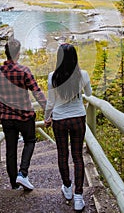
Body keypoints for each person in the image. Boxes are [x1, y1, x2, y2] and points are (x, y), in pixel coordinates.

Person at [0, 38, 47, 190]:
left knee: (10, 149)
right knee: (30, 141)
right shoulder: (24, 71)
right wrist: (48, 111)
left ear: (6, 53)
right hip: (25, 116)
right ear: (18, 53)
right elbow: (37, 93)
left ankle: (14, 183)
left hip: (7, 118)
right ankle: (23, 173)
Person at [44, 43, 92, 211]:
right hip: (78, 118)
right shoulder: (83, 75)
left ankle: (67, 188)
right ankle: (79, 196)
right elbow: (89, 95)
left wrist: (46, 118)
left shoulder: (52, 77)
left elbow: (50, 102)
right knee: (78, 157)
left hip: (60, 120)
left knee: (62, 155)